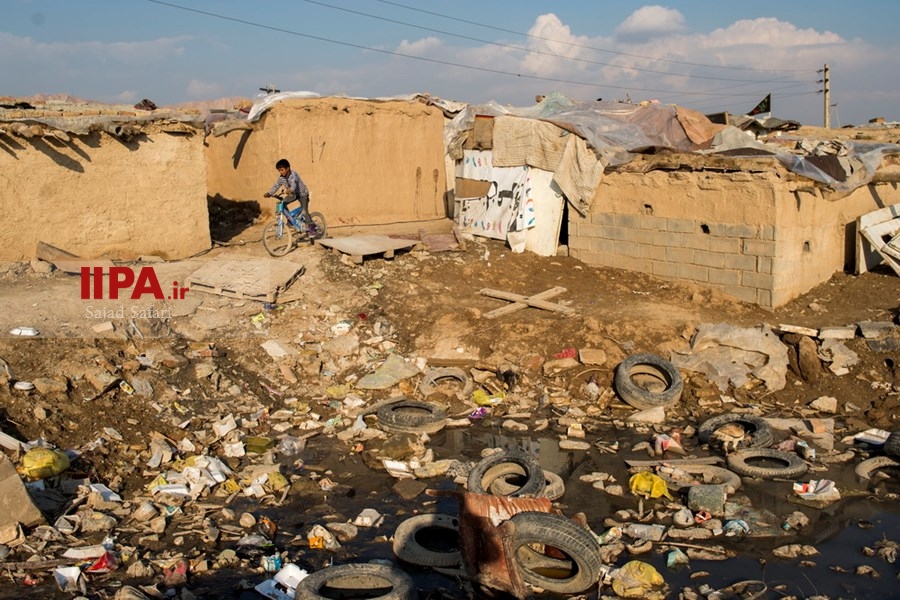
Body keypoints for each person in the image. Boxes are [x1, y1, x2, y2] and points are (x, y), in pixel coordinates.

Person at [264, 158, 314, 234]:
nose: (280, 172)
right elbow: (276, 185)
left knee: (304, 211)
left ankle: (312, 230)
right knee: (282, 204)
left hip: (302, 194)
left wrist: (289, 190)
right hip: (293, 194)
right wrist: (269, 193)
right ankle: (290, 220)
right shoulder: (281, 178)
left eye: (282, 170)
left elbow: (293, 185)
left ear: (288, 168)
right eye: (279, 170)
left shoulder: (294, 175)